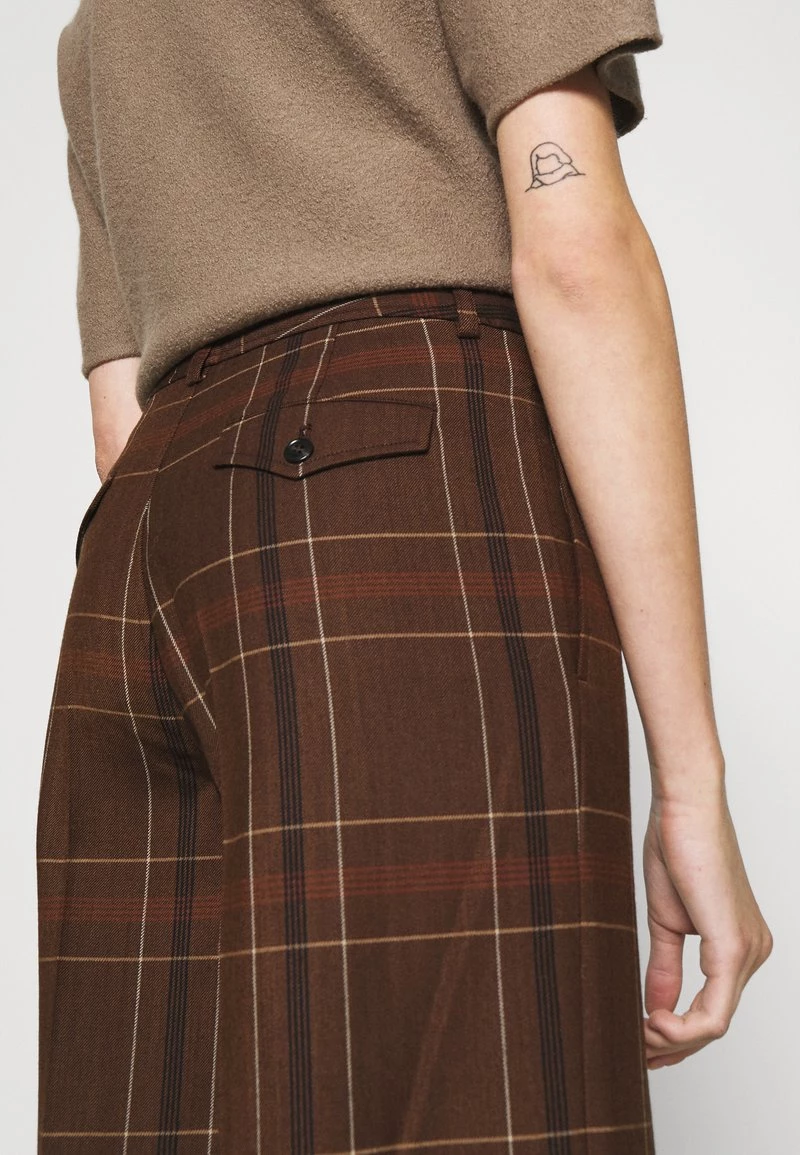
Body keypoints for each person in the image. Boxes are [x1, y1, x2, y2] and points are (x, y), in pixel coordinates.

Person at [38, 1, 772, 1151]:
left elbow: (114, 421)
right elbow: (574, 249)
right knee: (467, 1106)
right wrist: (688, 784)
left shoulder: (95, 32)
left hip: (145, 551)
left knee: (158, 1100)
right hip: (394, 484)